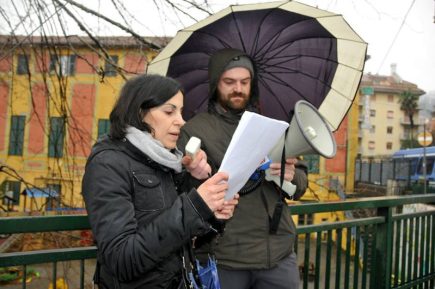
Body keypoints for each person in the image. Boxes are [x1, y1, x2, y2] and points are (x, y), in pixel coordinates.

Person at [82, 74, 239, 289]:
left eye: (181, 111)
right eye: (169, 111)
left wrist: (212, 214)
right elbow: (121, 260)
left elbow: (184, 238)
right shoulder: (108, 163)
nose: (181, 121)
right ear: (140, 112)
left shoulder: (167, 162)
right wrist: (196, 206)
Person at [177, 48, 308, 289]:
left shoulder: (274, 125)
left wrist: (290, 177)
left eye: (244, 82)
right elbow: (180, 192)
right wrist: (196, 177)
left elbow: (300, 184)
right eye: (229, 82)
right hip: (225, 258)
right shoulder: (194, 130)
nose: (238, 88)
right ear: (216, 83)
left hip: (278, 255)